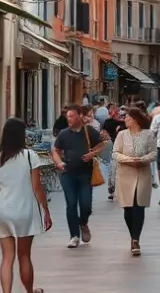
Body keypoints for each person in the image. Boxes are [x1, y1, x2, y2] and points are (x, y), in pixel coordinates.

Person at [0, 118, 51, 293]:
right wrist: (46, 211)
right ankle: (30, 291)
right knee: (24, 256)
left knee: (7, 258)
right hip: (25, 210)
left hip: (2, 210)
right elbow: (37, 187)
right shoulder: (30, 156)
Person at [50, 105, 106, 248]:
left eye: (72, 116)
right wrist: (58, 162)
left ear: (80, 116)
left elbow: (101, 144)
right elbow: (55, 150)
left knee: (86, 205)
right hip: (68, 174)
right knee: (71, 204)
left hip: (85, 174)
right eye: (68, 116)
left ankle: (83, 222)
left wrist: (93, 153)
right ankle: (74, 235)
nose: (69, 119)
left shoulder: (89, 131)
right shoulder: (63, 134)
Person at [112, 107, 158, 255]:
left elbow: (154, 152)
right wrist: (129, 160)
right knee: (128, 208)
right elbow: (115, 153)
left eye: (128, 117)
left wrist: (143, 159)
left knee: (139, 206)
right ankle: (132, 234)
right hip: (125, 174)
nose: (125, 120)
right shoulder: (121, 135)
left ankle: (136, 239)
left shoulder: (148, 135)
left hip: (142, 173)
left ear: (136, 120)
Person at [102, 105, 126, 201]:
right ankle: (111, 189)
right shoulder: (108, 122)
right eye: (111, 111)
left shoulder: (124, 123)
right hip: (112, 149)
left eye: (115, 111)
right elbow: (103, 131)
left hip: (123, 150)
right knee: (112, 169)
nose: (113, 113)